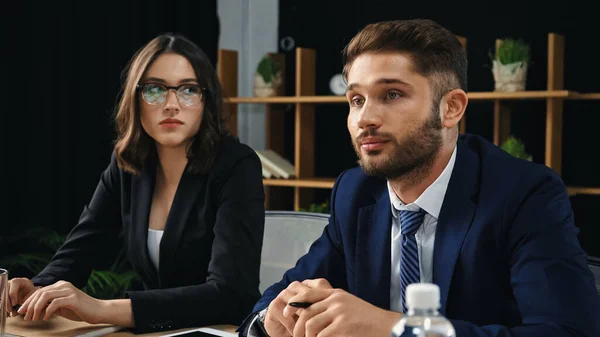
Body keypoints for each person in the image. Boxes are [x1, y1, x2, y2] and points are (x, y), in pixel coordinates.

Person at [238, 19, 600, 337]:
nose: (365, 118)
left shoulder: (524, 194)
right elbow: (280, 296)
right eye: (357, 100)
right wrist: (270, 321)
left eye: (392, 94)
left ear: (451, 108)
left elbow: (568, 330)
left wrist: (397, 329)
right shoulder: (355, 191)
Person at [5, 33, 266, 333]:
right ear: (136, 98)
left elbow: (231, 293)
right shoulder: (128, 163)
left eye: (188, 90)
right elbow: (79, 250)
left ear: (206, 101)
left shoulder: (236, 166)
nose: (171, 104)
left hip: (221, 330)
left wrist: (101, 308)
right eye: (155, 90)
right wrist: (39, 289)